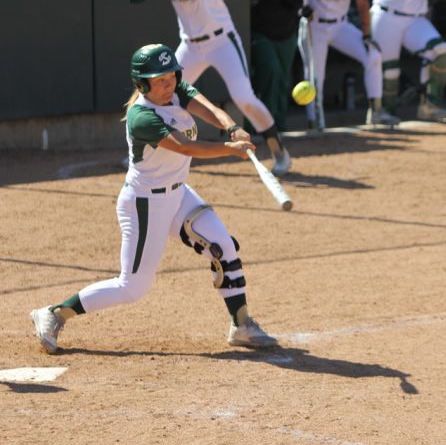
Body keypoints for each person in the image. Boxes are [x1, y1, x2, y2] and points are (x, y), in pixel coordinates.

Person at [30, 44, 277, 354]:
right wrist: (230, 149)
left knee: (223, 245)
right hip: (146, 204)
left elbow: (210, 109)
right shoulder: (142, 117)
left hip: (179, 193)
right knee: (132, 287)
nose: (168, 83)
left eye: (171, 76)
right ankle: (54, 313)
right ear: (142, 84)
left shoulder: (177, 91)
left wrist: (233, 127)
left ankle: (241, 325)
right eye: (159, 80)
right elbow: (185, 148)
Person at [128, 0, 291, 176]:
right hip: (190, 46)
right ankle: (140, 152)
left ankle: (278, 150)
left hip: (222, 41)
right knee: (152, 94)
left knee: (244, 97)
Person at [292, 0, 399, 128]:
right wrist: (299, 4)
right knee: (315, 76)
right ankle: (315, 121)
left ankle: (376, 111)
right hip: (316, 27)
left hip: (341, 26)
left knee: (373, 55)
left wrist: (366, 34)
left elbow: (362, 1)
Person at [249, 0, 302, 131]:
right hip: (260, 34)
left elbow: (296, 3)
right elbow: (253, 1)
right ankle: (263, 125)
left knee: (283, 81)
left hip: (286, 34)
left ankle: (279, 126)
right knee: (269, 73)